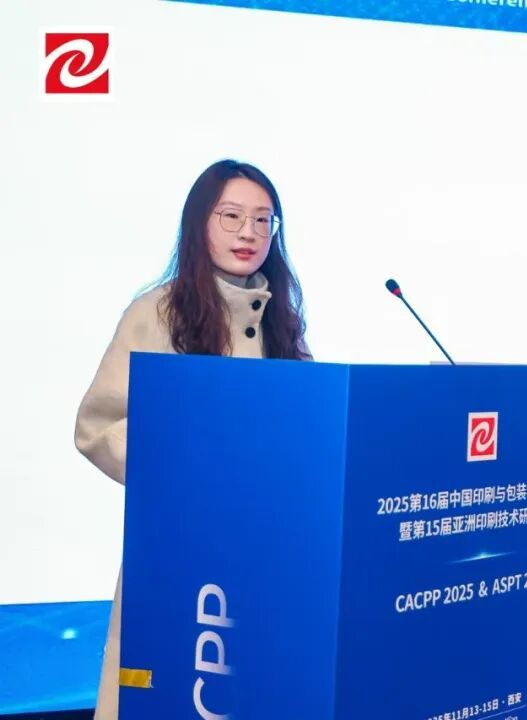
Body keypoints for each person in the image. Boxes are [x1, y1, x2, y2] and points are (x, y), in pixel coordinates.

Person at [74, 159, 310, 719]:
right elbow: (98, 426)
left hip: (260, 556)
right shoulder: (157, 312)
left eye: (263, 220)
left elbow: (303, 429)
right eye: (232, 216)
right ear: (199, 222)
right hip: (178, 548)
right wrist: (183, 473)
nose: (249, 232)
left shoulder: (281, 320)